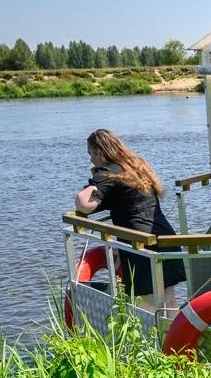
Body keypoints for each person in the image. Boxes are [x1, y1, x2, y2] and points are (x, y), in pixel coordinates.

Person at [74, 128, 187, 310]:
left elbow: (83, 203)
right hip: (165, 238)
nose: (90, 160)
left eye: (91, 154)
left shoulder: (108, 173)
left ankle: (155, 339)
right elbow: (124, 200)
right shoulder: (135, 166)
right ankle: (175, 338)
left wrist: (94, 180)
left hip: (142, 244)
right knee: (169, 301)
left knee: (147, 304)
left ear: (99, 152)